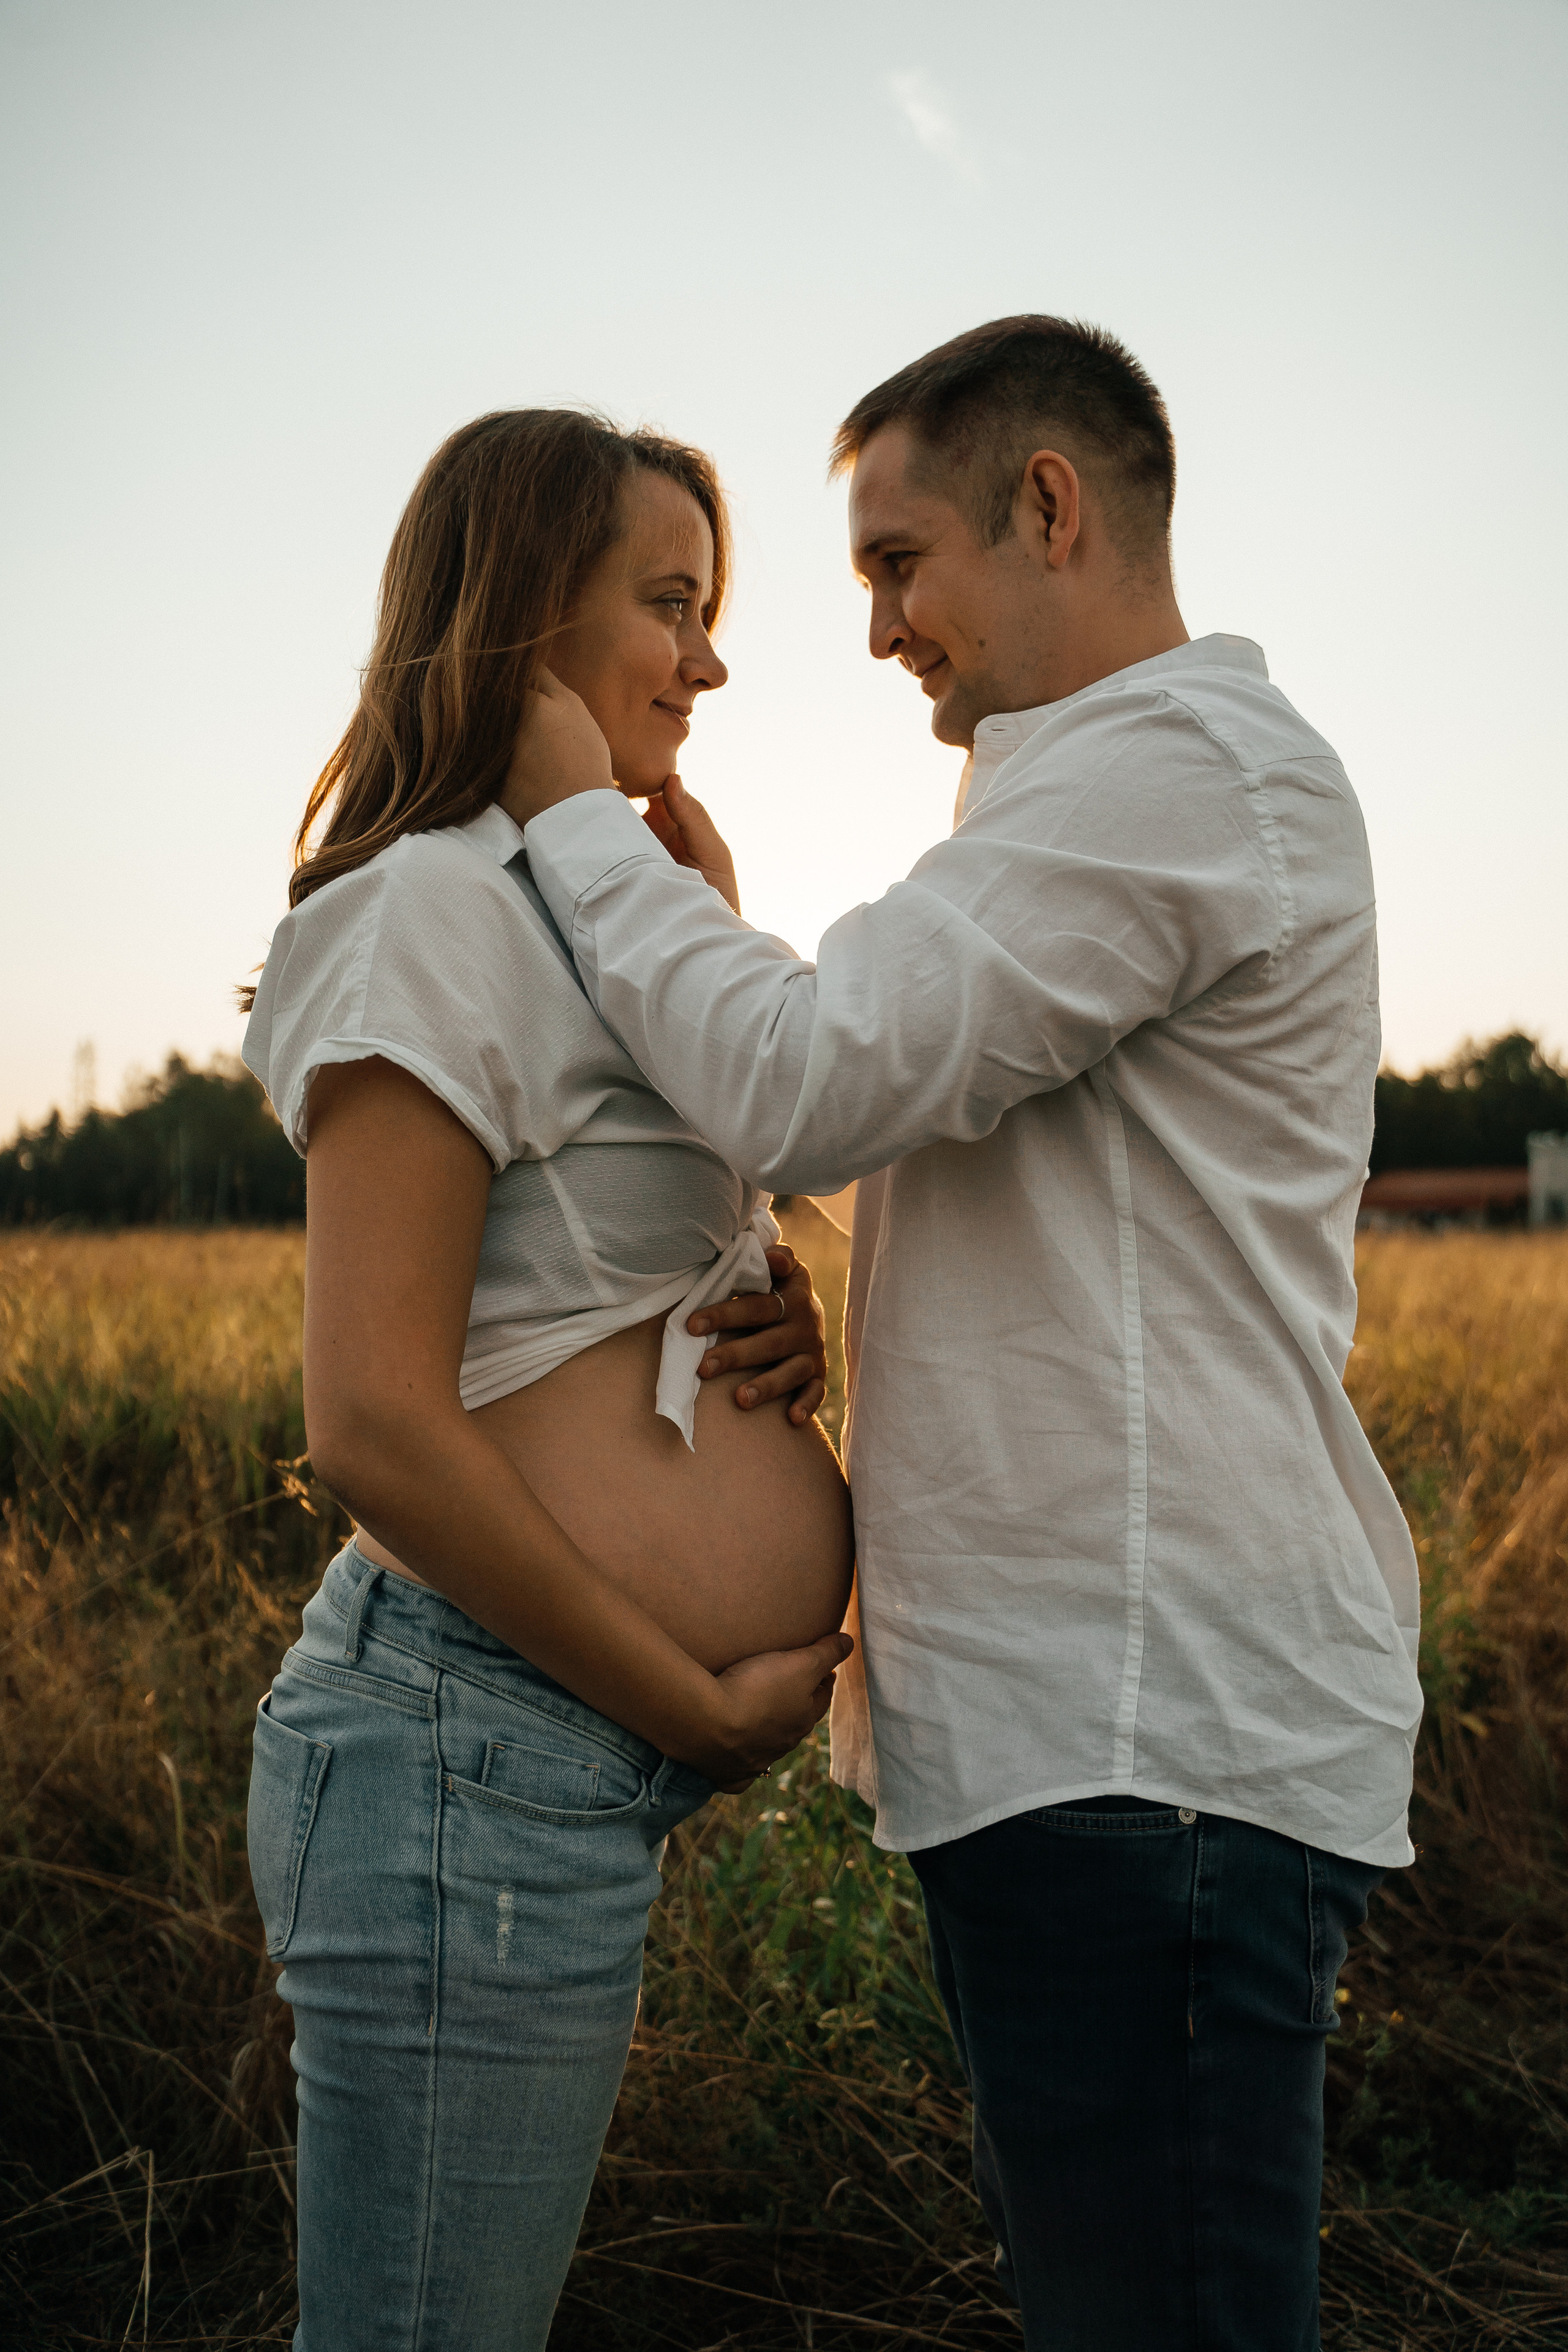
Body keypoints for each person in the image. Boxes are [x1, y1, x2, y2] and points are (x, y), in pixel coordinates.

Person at [503, 317, 1427, 2351]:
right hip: (1089, 1749)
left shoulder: (1177, 779)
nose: (875, 631)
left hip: (1147, 1746)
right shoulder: (1088, 803)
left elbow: (821, 1073)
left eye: (894, 562)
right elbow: (971, 1140)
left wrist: (579, 823)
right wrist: (841, 1246)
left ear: (1051, 504)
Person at [239, 407, 855, 2352]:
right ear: (521, 625)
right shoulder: (430, 909)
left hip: (533, 1766)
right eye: (669, 604)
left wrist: (785, 1311)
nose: (712, 657)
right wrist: (687, 1697)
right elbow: (376, 1424)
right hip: (464, 1749)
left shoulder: (595, 913)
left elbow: (622, 1287)